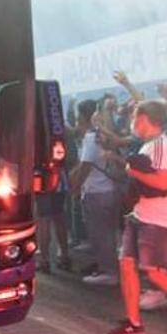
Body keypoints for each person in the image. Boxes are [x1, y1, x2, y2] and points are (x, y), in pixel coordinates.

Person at [108, 101, 167, 334]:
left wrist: (133, 172)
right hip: (140, 214)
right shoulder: (149, 145)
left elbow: (164, 183)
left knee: (152, 271)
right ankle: (134, 323)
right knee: (127, 264)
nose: (132, 122)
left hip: (157, 219)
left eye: (135, 116)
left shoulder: (161, 145)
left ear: (144, 118)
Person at [70, 100, 121, 286]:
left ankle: (109, 272)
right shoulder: (101, 136)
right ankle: (107, 267)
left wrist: (75, 189)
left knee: (100, 234)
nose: (77, 121)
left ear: (84, 117)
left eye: (78, 117)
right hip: (108, 190)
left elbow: (85, 166)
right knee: (108, 233)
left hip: (97, 192)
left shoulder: (91, 138)